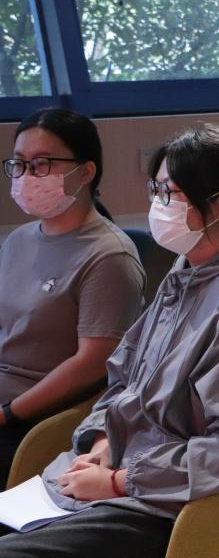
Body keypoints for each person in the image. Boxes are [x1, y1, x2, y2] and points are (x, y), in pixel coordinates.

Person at [0, 123, 219, 558]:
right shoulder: (186, 273)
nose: (157, 205)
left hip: (158, 505)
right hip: (115, 474)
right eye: (155, 191)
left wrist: (119, 481)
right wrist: (103, 442)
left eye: (169, 193)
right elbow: (123, 381)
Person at [0, 109, 144, 485]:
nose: (26, 175)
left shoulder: (109, 255)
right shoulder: (18, 240)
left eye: (41, 164)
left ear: (86, 172)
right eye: (19, 164)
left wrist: (8, 412)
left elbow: (93, 363)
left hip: (38, 415)